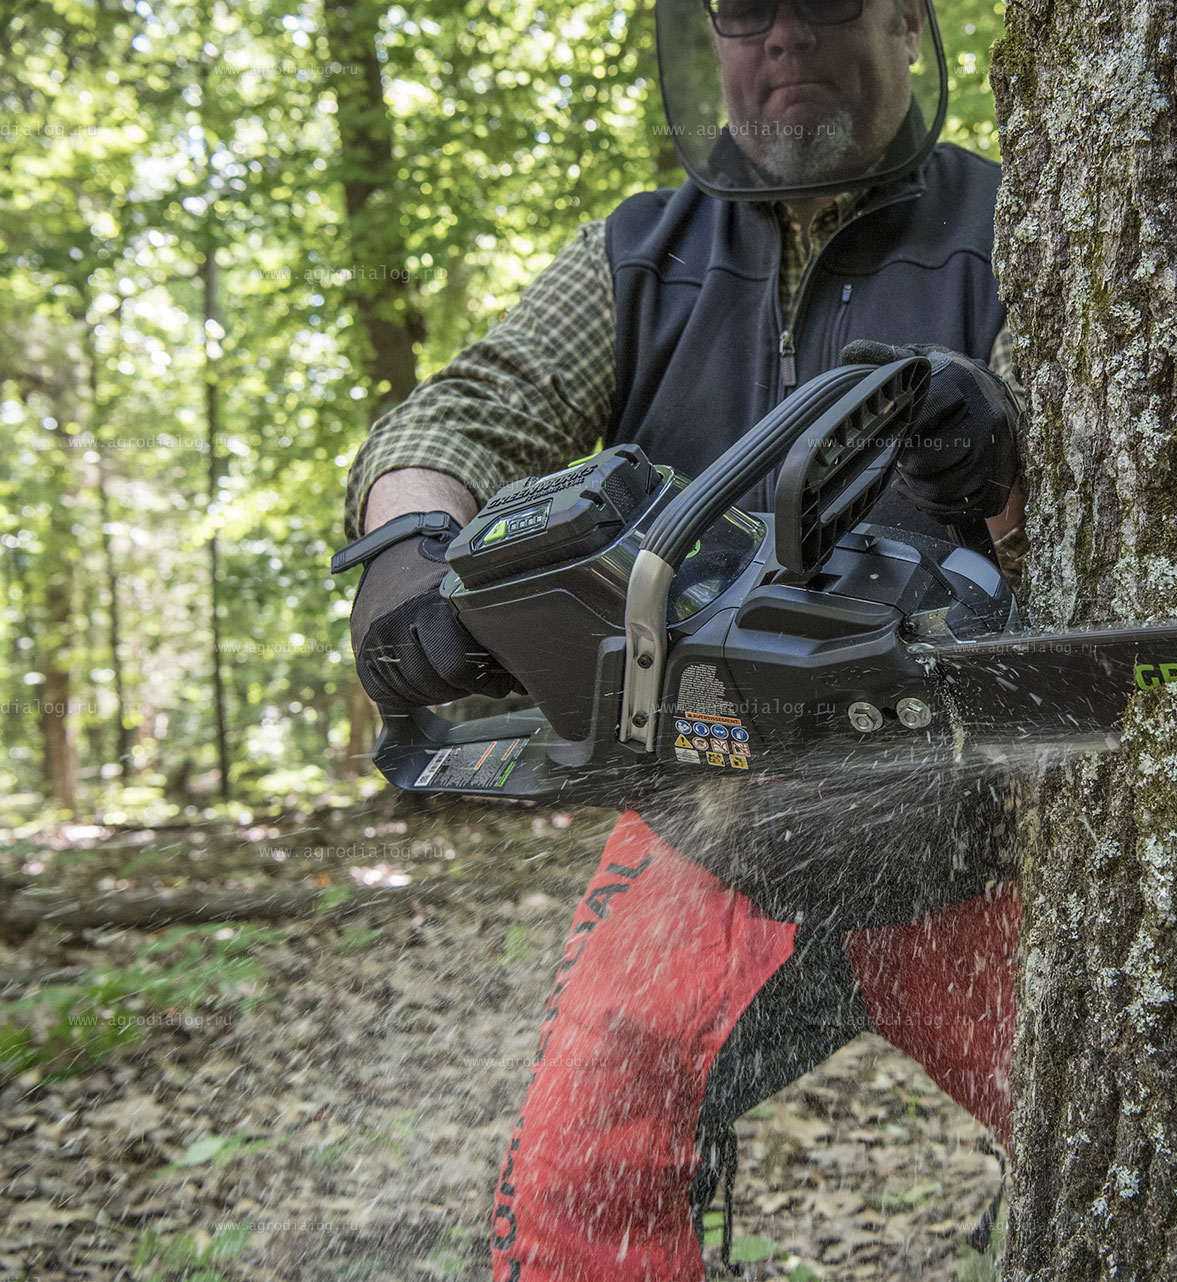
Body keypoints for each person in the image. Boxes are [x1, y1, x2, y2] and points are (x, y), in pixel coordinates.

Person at [335, 1, 1024, 1277]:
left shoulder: (1013, 226)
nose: (784, 41)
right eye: (747, 12)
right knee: (572, 1184)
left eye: (821, 3)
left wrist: (1000, 463)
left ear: (906, 19)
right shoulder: (645, 255)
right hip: (709, 828)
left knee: (1141, 1135)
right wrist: (409, 545)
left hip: (980, 840)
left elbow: (1129, 493)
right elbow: (471, 408)